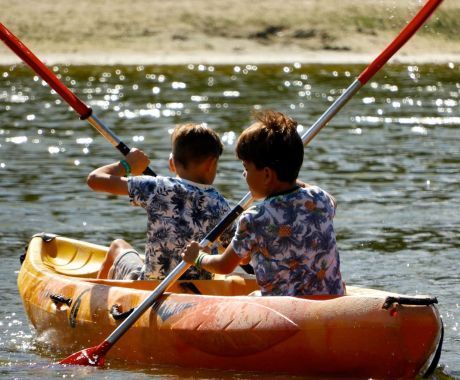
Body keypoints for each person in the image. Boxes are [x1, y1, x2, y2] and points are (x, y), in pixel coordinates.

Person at [181, 110, 345, 296]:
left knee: (251, 297)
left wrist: (198, 257)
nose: (244, 175)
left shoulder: (254, 218)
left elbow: (224, 266)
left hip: (284, 309)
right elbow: (333, 200)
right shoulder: (320, 199)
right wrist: (290, 177)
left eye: (246, 167)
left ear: (267, 174)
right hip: (332, 299)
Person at [87, 123, 234, 281]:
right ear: (212, 164)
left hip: (150, 285)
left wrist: (127, 164)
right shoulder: (221, 205)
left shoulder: (156, 187)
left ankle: (97, 294)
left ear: (172, 164)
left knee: (118, 245)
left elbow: (94, 180)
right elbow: (240, 254)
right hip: (199, 289)